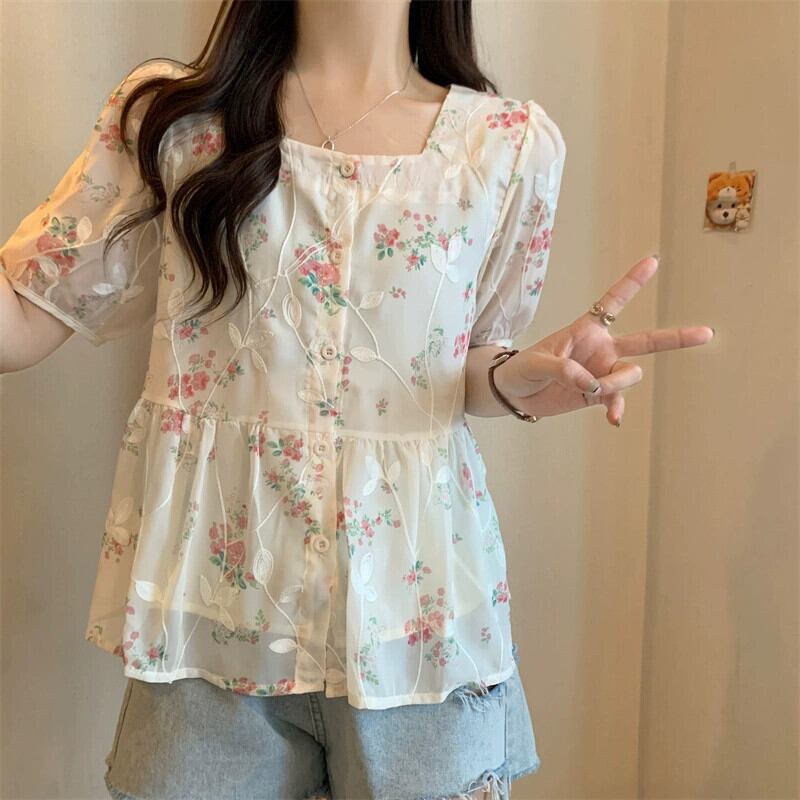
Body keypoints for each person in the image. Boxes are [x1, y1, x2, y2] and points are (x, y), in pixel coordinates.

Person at [0, 1, 714, 798]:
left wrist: (515, 379)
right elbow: (24, 316)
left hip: (417, 622)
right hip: (213, 625)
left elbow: (462, 363)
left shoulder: (505, 146)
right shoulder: (176, 122)